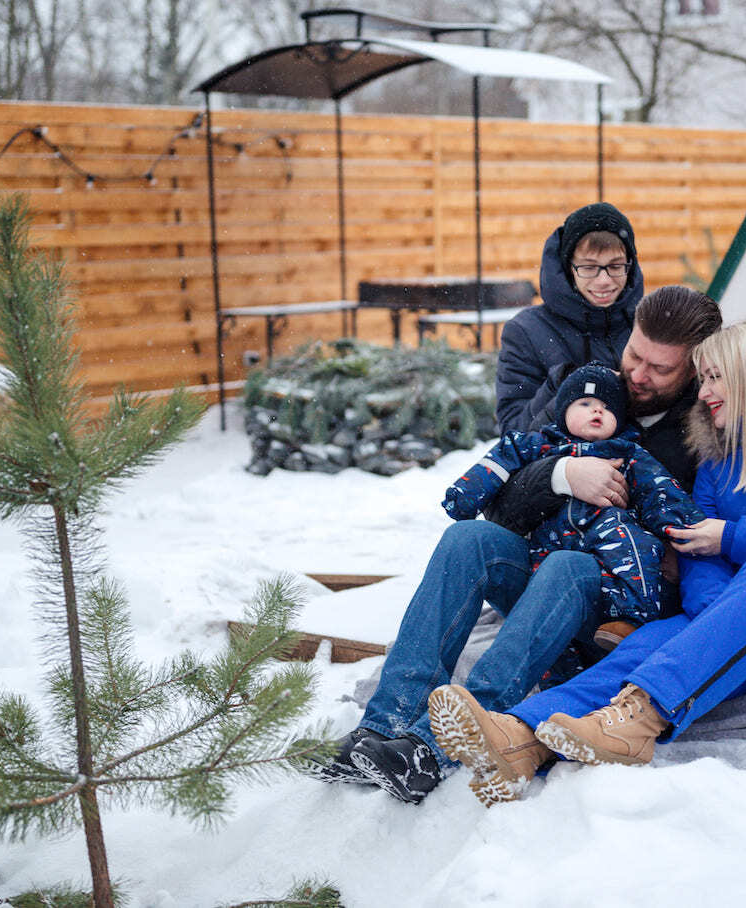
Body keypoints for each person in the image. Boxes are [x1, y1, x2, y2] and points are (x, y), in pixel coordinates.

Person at [426, 310, 746, 806]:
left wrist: (734, 538)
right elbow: (697, 553)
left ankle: (638, 722)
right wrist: (721, 615)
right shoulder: (716, 465)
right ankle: (519, 738)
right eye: (704, 377)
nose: (705, 390)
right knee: (647, 642)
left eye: (716, 378)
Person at [304, 285, 720, 804]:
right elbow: (501, 508)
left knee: (569, 564)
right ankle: (384, 723)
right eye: (635, 354)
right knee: (469, 538)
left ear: (696, 369)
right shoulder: (592, 393)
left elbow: (698, 543)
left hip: (614, 613)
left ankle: (440, 744)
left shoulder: (702, 433)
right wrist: (561, 475)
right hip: (544, 584)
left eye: (661, 369)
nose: (637, 375)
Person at [444, 362, 705, 649]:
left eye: (607, 408)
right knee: (550, 605)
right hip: (552, 542)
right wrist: (464, 497)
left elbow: (659, 489)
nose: (596, 410)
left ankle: (629, 619)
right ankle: (551, 666)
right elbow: (496, 464)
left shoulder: (628, 453)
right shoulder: (537, 445)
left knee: (636, 545)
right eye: (585, 403)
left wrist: (686, 527)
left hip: (606, 537)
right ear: (563, 410)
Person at [495, 202, 644, 435]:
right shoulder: (526, 332)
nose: (604, 280)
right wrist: (566, 383)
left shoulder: (647, 324)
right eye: (588, 267)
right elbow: (515, 433)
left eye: (615, 266)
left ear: (630, 265)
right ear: (568, 268)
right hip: (562, 465)